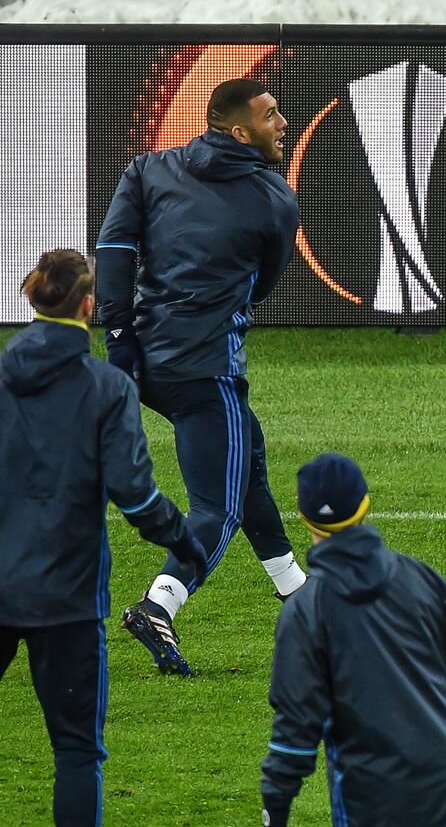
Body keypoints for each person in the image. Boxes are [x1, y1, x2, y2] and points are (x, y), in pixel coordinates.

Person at [95, 78, 307, 676]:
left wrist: (119, 339)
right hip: (206, 368)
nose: (284, 123)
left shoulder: (148, 168)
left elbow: (114, 249)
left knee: (247, 462)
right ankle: (159, 604)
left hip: (144, 362)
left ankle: (298, 593)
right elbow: (261, 287)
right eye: (272, 116)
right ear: (240, 131)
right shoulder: (274, 197)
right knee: (219, 505)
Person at [0, 249, 208, 826]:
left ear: (31, 299)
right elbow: (137, 497)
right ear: (89, 306)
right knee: (76, 752)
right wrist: (186, 544)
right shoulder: (107, 388)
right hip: (66, 595)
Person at [260, 453, 446, 827]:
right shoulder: (423, 581)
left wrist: (275, 810)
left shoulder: (305, 611)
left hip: (372, 804)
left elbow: (295, 731)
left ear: (304, 518)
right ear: (365, 504)